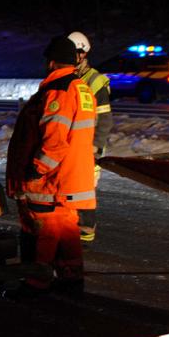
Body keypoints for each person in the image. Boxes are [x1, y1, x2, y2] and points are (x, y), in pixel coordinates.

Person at [5, 36, 96, 296]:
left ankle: (36, 283)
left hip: (51, 180)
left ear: (51, 62)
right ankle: (71, 278)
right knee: (67, 231)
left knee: (44, 230)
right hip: (69, 177)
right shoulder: (81, 87)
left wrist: (37, 170)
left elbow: (55, 141)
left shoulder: (59, 91)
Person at [68, 31, 113, 245]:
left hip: (87, 150)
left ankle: (84, 239)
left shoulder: (94, 81)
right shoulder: (72, 77)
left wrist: (95, 148)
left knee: (83, 198)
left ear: (82, 54)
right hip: (73, 148)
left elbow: (104, 120)